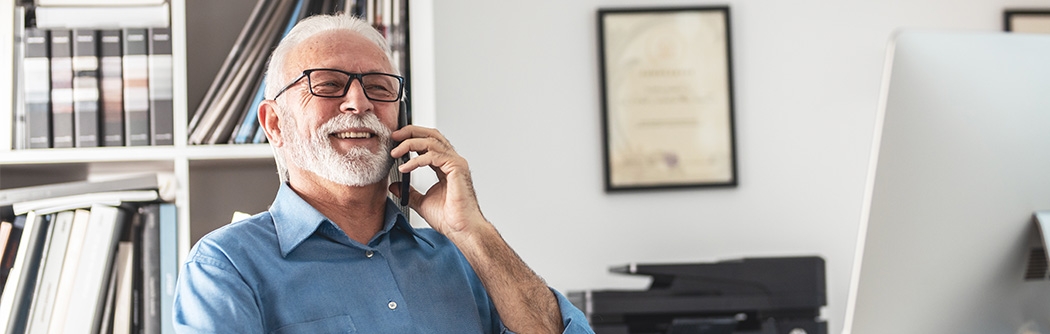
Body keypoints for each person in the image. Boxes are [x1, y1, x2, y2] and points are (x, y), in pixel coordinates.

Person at [172, 13, 593, 334]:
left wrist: (473, 233)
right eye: (329, 84)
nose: (359, 102)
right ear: (275, 124)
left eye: (379, 86)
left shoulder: (462, 258)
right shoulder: (226, 267)